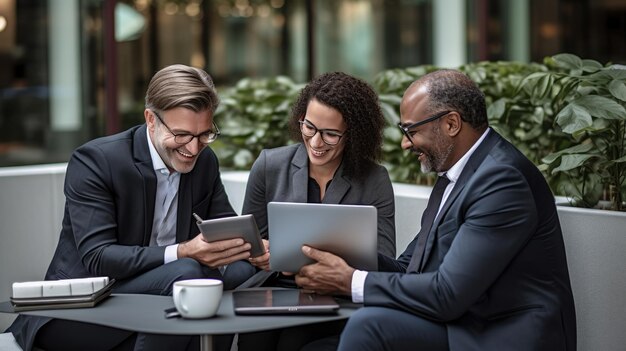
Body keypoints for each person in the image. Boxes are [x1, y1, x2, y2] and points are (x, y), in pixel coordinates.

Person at [294, 69, 577, 350]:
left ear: (451, 124)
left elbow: (448, 294)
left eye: (411, 130)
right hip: (462, 322)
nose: (405, 143)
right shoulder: (455, 175)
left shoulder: (501, 180)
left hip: (497, 334)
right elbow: (410, 269)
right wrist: (344, 253)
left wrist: (350, 281)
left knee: (369, 326)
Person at [6, 64, 256, 351]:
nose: (194, 148)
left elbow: (225, 228)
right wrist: (183, 250)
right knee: (186, 271)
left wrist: (252, 249)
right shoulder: (96, 161)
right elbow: (98, 257)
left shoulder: (204, 162)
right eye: (182, 134)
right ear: (151, 119)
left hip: (161, 299)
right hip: (83, 306)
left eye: (204, 135)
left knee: (238, 273)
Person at [236, 71, 397, 351]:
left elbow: (382, 258)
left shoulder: (374, 179)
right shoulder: (269, 166)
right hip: (274, 289)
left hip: (335, 294)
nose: (316, 142)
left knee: (294, 341)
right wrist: (260, 252)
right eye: (309, 127)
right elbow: (250, 242)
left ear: (353, 134)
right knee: (256, 338)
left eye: (331, 134)